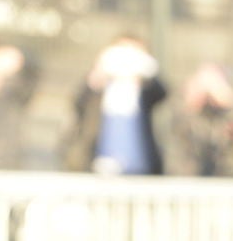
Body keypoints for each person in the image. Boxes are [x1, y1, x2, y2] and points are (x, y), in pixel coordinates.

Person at [65, 34, 166, 176]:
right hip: (96, 167)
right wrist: (98, 73)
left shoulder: (146, 90)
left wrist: (143, 73)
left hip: (140, 168)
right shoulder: (97, 88)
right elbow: (78, 102)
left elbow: (162, 92)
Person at [167, 64, 233, 178]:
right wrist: (193, 102)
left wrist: (227, 100)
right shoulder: (183, 107)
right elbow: (177, 126)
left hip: (226, 176)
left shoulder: (227, 111)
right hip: (189, 176)